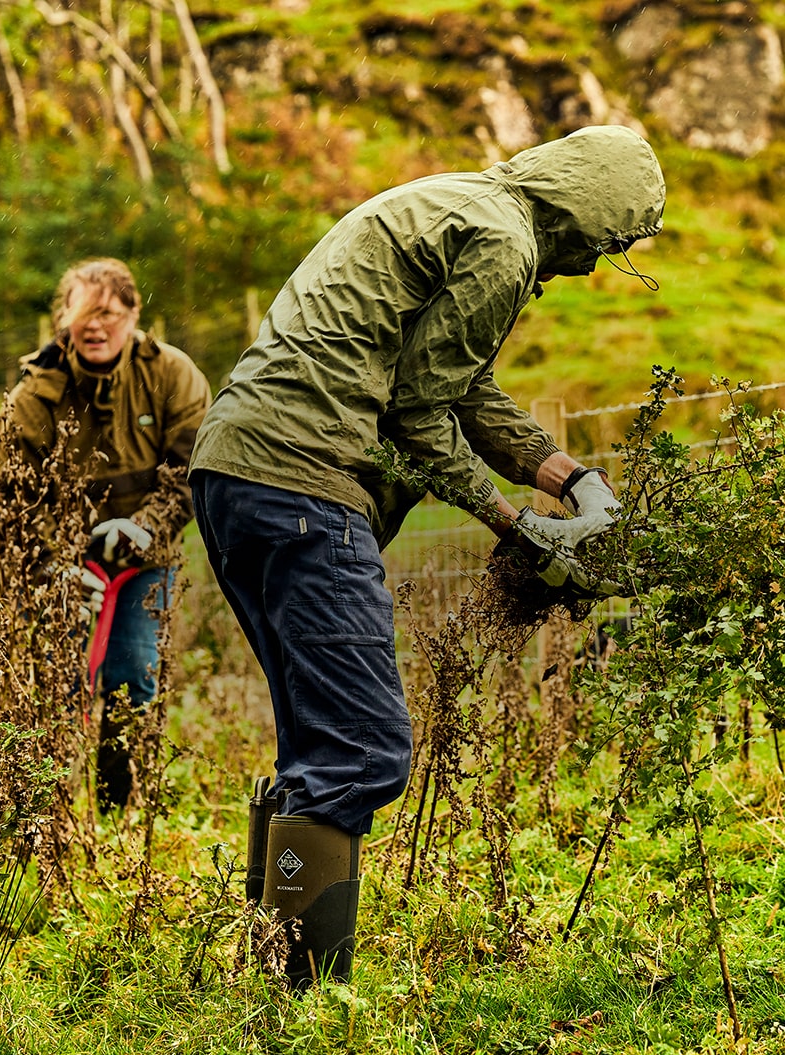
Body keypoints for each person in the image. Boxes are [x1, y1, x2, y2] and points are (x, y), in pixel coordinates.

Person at [188, 124, 665, 987]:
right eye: (603, 244)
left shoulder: (453, 201)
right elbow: (418, 413)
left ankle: (266, 992)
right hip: (309, 482)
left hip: (236, 475)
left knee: (316, 747)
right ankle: (302, 1007)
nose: (593, 266)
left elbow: (463, 387)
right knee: (363, 750)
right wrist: (515, 527)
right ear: (583, 206)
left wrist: (571, 478)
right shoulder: (507, 241)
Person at [0, 257, 211, 811]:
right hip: (60, 559)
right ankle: (48, 814)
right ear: (63, 319)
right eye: (83, 313)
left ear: (134, 314)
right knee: (54, 682)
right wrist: (55, 566)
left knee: (132, 676)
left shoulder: (172, 375)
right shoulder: (33, 397)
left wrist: (144, 529)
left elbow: (192, 471)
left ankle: (114, 808)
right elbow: (9, 504)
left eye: (108, 312)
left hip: (144, 555)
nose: (95, 326)